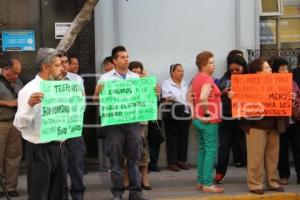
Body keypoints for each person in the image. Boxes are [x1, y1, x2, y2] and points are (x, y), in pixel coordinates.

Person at [93, 46, 148, 200]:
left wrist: (152, 93)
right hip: (114, 125)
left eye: (127, 56)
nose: (126, 59)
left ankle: (135, 193)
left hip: (132, 123)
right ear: (115, 60)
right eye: (123, 57)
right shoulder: (105, 78)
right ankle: (117, 193)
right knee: (115, 161)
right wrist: (97, 93)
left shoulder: (135, 78)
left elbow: (143, 100)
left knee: (134, 159)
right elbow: (96, 102)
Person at [13, 48, 68, 200]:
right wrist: (29, 105)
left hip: (60, 148)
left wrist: (77, 101)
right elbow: (19, 124)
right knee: (40, 194)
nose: (62, 68)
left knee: (59, 193)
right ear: (46, 67)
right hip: (39, 150)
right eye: (57, 65)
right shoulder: (28, 90)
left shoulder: (60, 87)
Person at [240, 57, 285, 195]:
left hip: (274, 125)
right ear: (258, 72)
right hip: (255, 126)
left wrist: (289, 98)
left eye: (270, 68)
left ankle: (272, 182)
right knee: (256, 157)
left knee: (273, 156)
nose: (270, 70)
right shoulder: (248, 87)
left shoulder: (277, 84)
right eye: (266, 68)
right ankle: (255, 184)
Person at [191, 51, 223, 193]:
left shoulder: (196, 78)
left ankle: (201, 181)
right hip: (208, 121)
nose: (214, 65)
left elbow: (189, 95)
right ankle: (208, 184)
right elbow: (203, 98)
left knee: (203, 150)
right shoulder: (208, 79)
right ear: (203, 65)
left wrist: (194, 113)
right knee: (210, 151)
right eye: (211, 62)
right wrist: (207, 113)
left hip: (198, 120)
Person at [214, 55, 248, 184]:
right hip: (226, 117)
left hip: (243, 118)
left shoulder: (250, 78)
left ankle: (252, 174)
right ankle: (220, 173)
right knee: (223, 147)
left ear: (243, 67)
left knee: (246, 147)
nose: (234, 72)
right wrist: (224, 93)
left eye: (237, 70)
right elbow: (218, 94)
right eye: (231, 70)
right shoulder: (224, 79)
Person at [59, 52, 87, 200]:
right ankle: (62, 195)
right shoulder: (49, 81)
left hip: (74, 129)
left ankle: (78, 194)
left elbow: (82, 104)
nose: (63, 65)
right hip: (56, 131)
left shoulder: (77, 80)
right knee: (60, 167)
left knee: (76, 164)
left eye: (65, 62)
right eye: (60, 62)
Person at [272, 57, 300, 185]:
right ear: (276, 71)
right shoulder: (272, 84)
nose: (285, 71)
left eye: (286, 68)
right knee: (281, 149)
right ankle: (284, 175)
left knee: (298, 148)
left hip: (295, 122)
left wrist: (295, 98)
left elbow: (298, 97)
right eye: (282, 68)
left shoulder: (293, 83)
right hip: (281, 122)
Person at [161, 63, 191, 172]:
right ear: (172, 72)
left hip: (186, 113)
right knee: (172, 138)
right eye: (178, 70)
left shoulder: (185, 84)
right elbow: (166, 98)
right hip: (173, 114)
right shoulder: (166, 83)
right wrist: (175, 100)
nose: (181, 73)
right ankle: (172, 162)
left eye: (182, 70)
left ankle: (182, 160)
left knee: (184, 138)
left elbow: (188, 97)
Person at [0, 58, 23, 197]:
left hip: (15, 123)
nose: (16, 76)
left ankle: (10, 187)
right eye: (14, 73)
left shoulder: (18, 82)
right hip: (1, 123)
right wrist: (7, 103)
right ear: (6, 69)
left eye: (18, 73)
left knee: (13, 156)